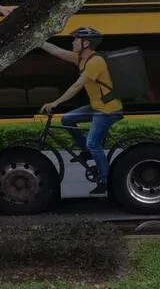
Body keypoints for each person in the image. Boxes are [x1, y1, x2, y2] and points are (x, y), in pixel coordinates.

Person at [39, 26, 124, 195]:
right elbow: (58, 52)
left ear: (86, 43)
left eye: (75, 40)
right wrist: (38, 42)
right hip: (96, 107)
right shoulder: (81, 59)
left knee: (94, 143)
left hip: (108, 110)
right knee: (67, 119)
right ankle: (86, 152)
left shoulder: (95, 62)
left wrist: (55, 103)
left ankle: (104, 180)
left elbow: (77, 85)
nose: (72, 42)